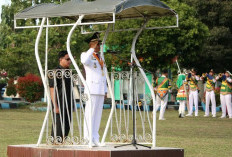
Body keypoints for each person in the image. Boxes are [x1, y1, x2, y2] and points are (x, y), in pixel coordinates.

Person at [81, 32, 107, 146]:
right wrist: (91, 49)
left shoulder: (101, 56)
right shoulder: (86, 55)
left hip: (100, 89)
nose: (98, 45)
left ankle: (95, 137)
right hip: (91, 88)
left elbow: (103, 74)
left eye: (99, 43)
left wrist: (105, 90)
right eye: (96, 43)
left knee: (97, 115)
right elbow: (84, 61)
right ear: (91, 44)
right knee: (89, 115)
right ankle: (87, 138)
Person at [49, 50, 73, 141]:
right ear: (60, 59)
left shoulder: (68, 72)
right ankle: (55, 144)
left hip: (68, 102)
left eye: (70, 59)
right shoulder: (55, 72)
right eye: (67, 59)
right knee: (58, 126)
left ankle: (62, 143)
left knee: (67, 125)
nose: (69, 61)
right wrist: (55, 105)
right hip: (59, 102)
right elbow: (52, 89)